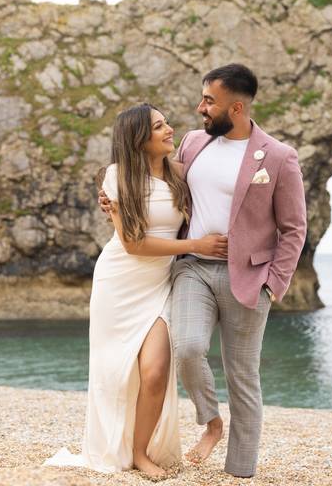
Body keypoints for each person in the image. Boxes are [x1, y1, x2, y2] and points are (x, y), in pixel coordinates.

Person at [99, 64, 307, 478]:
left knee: (242, 375)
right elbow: (160, 180)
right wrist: (114, 192)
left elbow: (294, 228)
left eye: (209, 101)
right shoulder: (195, 144)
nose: (200, 108)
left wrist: (274, 284)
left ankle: (239, 470)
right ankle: (211, 421)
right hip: (192, 268)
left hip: (247, 277)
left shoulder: (279, 157)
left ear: (236, 106)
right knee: (189, 349)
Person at [45, 103, 227, 479]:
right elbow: (133, 244)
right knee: (115, 372)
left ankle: (142, 451)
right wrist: (198, 246)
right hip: (119, 283)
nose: (169, 129)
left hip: (161, 283)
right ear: (139, 139)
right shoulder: (116, 177)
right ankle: (124, 449)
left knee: (157, 370)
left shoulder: (180, 175)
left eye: (166, 123)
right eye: (159, 126)